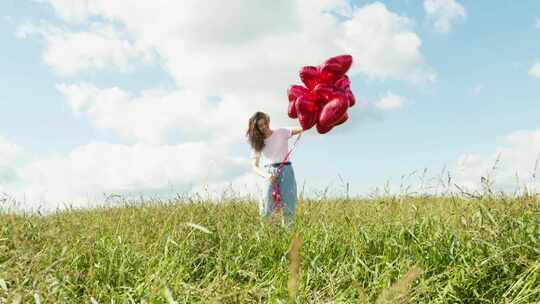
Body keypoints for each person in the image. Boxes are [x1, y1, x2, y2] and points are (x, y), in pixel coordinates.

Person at [245, 112, 303, 225]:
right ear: (256, 128)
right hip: (268, 173)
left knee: (289, 204)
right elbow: (254, 166)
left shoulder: (281, 132)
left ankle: (288, 235)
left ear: (268, 121)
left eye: (265, 123)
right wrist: (267, 176)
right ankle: (269, 236)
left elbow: (302, 128)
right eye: (260, 125)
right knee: (266, 206)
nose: (264, 127)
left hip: (286, 170)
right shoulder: (257, 142)